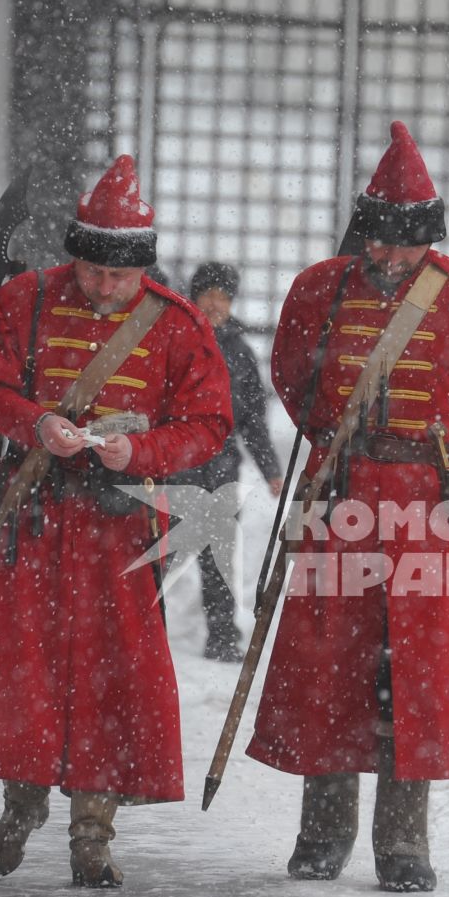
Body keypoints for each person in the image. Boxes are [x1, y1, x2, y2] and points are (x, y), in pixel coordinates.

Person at [249, 121, 449, 892]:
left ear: (428, 243)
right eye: (382, 244)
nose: (390, 260)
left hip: (423, 511)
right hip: (340, 499)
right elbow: (294, 376)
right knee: (333, 666)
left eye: (405, 248)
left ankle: (404, 846)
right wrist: (341, 446)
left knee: (413, 677)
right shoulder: (320, 289)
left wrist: (435, 467)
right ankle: (322, 835)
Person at [0, 154, 232, 887]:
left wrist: (140, 450)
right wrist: (35, 420)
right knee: (28, 672)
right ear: (74, 254)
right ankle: (22, 802)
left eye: (119, 277)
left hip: (118, 533)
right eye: (93, 272)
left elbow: (208, 423)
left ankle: (93, 831)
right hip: (36, 521)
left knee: (112, 680)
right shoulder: (27, 300)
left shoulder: (176, 326)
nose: (104, 287)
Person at [173, 260, 283, 662]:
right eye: (209, 295)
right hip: (173, 466)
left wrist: (270, 469)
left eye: (223, 297)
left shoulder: (239, 353)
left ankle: (221, 637)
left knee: (216, 557)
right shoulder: (176, 339)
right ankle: (137, 633)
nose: (216, 304)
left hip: (220, 468)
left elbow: (252, 420)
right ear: (195, 298)